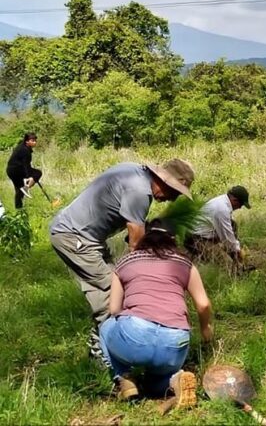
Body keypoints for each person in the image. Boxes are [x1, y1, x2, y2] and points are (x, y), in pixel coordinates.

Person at [49, 159, 194, 362]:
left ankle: (98, 350)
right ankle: (107, 357)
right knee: (114, 292)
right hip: (74, 237)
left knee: (105, 293)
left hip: (85, 237)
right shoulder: (140, 191)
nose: (172, 199)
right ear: (165, 182)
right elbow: (135, 246)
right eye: (175, 192)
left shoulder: (134, 172)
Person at [99, 217, 212, 403]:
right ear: (173, 239)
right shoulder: (185, 263)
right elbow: (203, 305)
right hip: (174, 342)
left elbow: (113, 309)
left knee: (105, 328)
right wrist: (206, 331)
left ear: (144, 237)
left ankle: (124, 378)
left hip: (134, 335)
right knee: (154, 384)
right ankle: (175, 380)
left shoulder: (126, 261)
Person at [186, 186, 250, 263]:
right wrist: (237, 251)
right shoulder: (221, 209)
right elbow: (227, 237)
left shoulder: (222, 200)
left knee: (233, 224)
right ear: (235, 200)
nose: (239, 208)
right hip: (196, 239)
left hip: (205, 235)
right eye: (240, 205)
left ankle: (232, 257)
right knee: (227, 264)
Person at [6, 132, 43, 209]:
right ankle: (27, 186)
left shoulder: (22, 147)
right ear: (27, 141)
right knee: (38, 173)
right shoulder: (25, 151)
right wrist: (30, 176)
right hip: (16, 170)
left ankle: (19, 209)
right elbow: (26, 165)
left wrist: (30, 175)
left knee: (19, 190)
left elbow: (25, 164)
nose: (35, 142)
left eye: (35, 140)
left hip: (11, 170)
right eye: (32, 140)